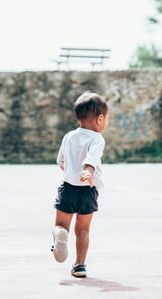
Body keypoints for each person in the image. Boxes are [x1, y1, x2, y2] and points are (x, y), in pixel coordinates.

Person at [51, 91, 109, 278]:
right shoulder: (97, 138)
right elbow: (92, 157)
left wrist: (72, 171)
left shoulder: (69, 136)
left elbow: (61, 161)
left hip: (68, 188)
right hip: (88, 191)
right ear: (100, 118)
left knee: (61, 225)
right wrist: (88, 171)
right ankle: (80, 266)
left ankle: (60, 236)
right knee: (83, 229)